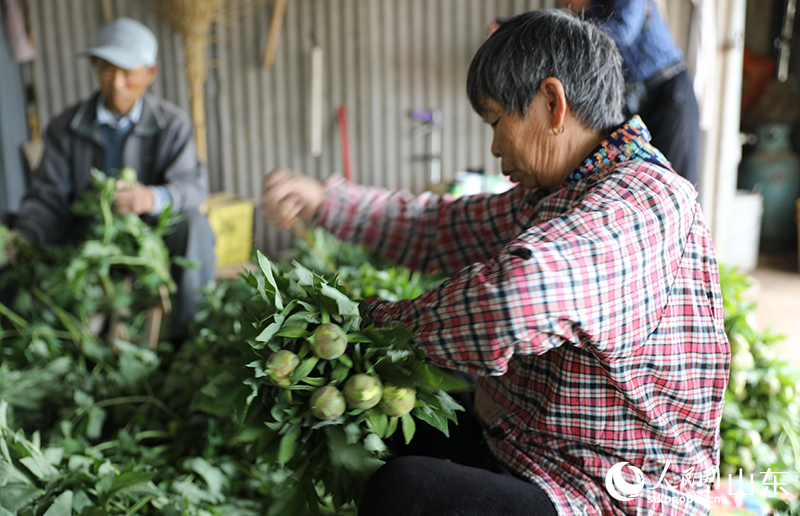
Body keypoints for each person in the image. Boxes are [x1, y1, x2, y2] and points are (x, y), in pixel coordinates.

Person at [262, 10, 728, 516]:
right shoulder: (555, 191)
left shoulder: (642, 203)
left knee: (404, 490)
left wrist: (378, 325)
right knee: (403, 410)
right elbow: (438, 228)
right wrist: (325, 201)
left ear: (552, 103)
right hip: (532, 444)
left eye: (496, 121)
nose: (494, 146)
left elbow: (515, 300)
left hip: (602, 487)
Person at [7, 17, 215, 340]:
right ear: (95, 66)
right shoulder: (64, 128)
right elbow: (46, 198)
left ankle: (190, 341)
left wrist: (151, 198)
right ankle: (41, 340)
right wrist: (25, 235)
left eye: (128, 72)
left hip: (150, 240)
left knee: (194, 225)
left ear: (150, 73)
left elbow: (194, 188)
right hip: (85, 242)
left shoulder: (173, 125)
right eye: (107, 69)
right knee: (17, 236)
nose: (117, 83)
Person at [558, 0, 701, 189]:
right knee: (644, 183)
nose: (563, 3)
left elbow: (623, 31)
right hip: (640, 102)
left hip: (671, 94)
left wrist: (566, 34)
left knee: (674, 184)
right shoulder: (593, 13)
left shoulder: (595, 24)